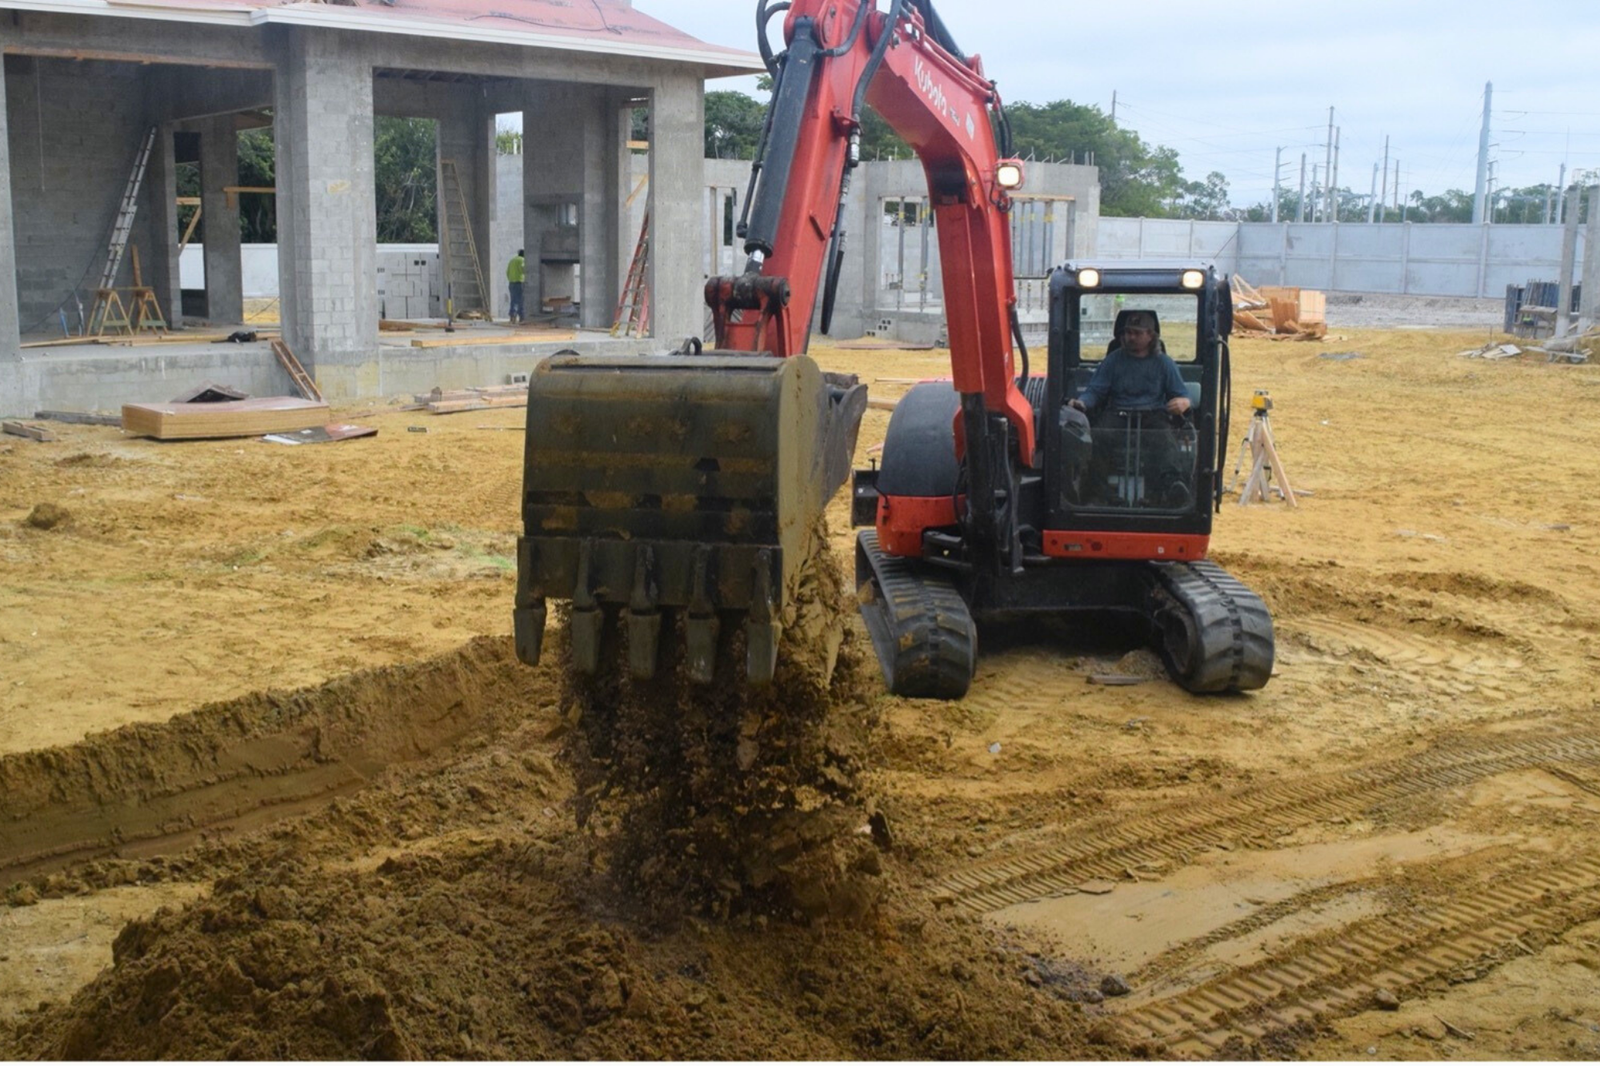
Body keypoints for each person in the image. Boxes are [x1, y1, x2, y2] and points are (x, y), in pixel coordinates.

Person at [1067, 310, 1194, 508]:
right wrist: (1082, 403)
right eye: (1127, 332)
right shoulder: (1113, 361)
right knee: (1097, 438)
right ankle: (1096, 494)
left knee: (1164, 439)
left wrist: (1183, 402)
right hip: (1118, 414)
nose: (1130, 337)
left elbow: (1182, 395)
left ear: (1150, 336)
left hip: (1152, 416)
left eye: (1136, 333)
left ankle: (1169, 489)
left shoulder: (1165, 364)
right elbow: (1095, 391)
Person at [506, 249, 527, 324]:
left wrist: (511, 279)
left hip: (511, 283)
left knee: (513, 300)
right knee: (521, 300)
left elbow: (507, 272)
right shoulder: (522, 260)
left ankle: (512, 316)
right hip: (519, 282)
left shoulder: (512, 260)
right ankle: (521, 317)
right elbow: (523, 270)